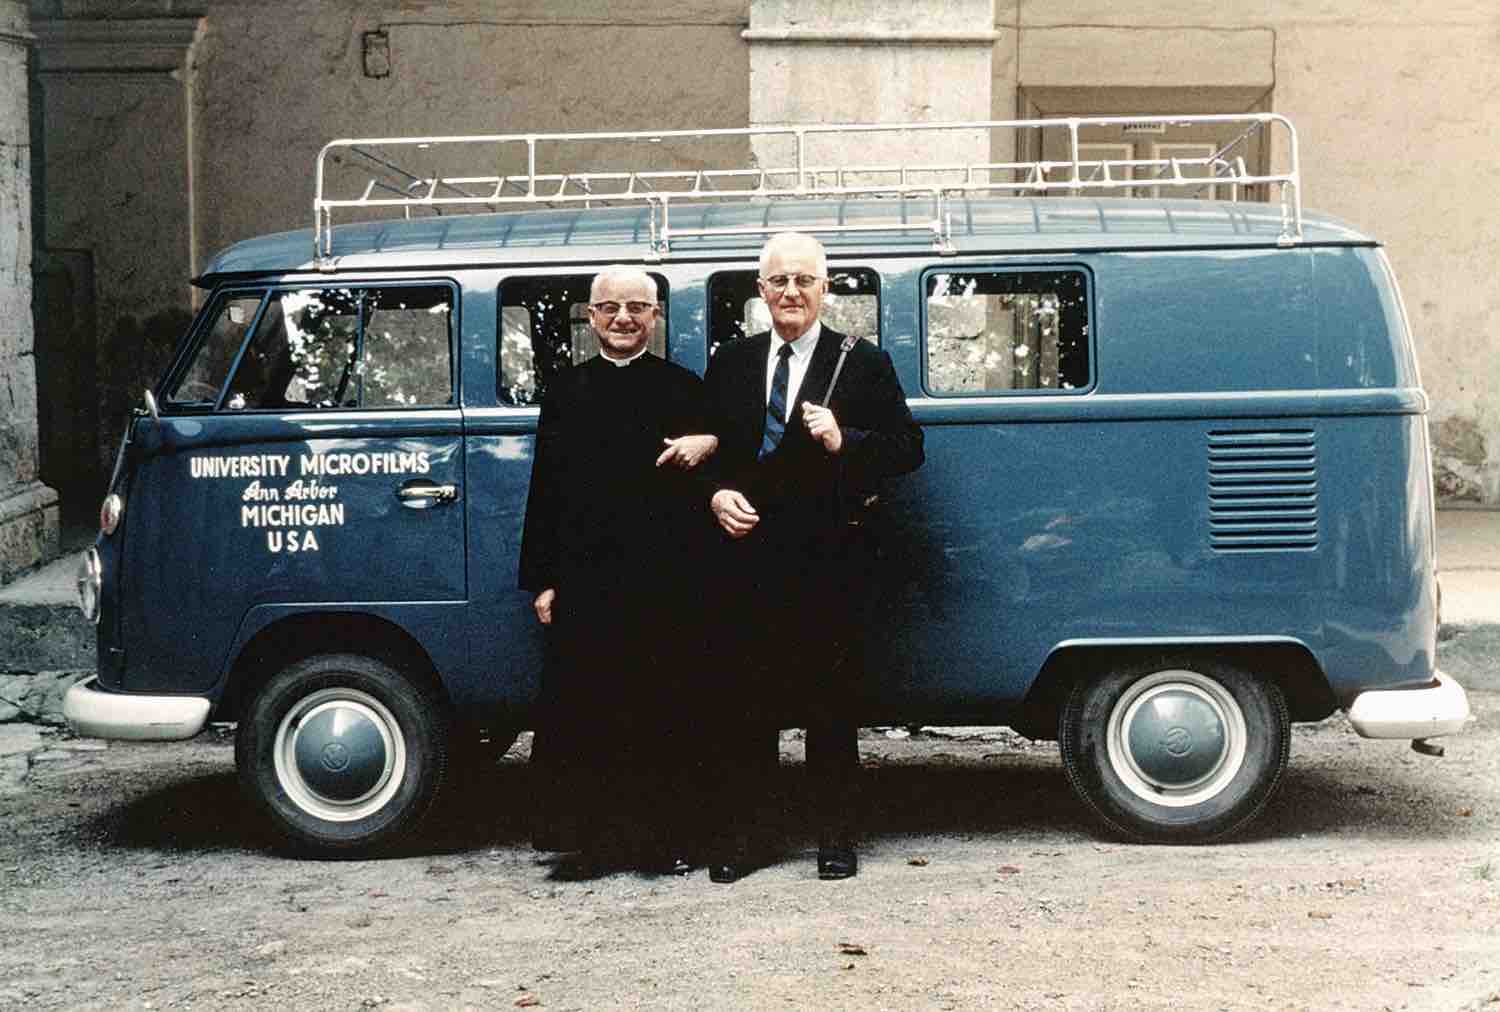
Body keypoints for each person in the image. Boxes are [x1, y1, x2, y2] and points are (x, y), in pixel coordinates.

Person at [700, 231, 924, 881]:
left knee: (830, 706)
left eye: (803, 280)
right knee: (748, 705)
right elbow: (706, 452)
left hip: (829, 560)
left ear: (826, 288)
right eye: (778, 281)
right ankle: (752, 838)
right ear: (760, 291)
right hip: (745, 562)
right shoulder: (732, 362)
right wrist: (714, 495)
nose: (790, 292)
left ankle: (835, 837)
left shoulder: (863, 362)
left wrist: (843, 437)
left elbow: (909, 448)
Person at [518, 265, 718, 877]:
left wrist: (707, 442)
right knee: (589, 709)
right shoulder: (566, 390)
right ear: (592, 317)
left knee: (664, 709)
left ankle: (664, 841)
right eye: (610, 308)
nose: (624, 318)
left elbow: (723, 459)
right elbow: (545, 487)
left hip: (665, 578)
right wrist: (544, 577)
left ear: (656, 317)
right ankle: (594, 843)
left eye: (637, 307)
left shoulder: (685, 387)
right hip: (586, 576)